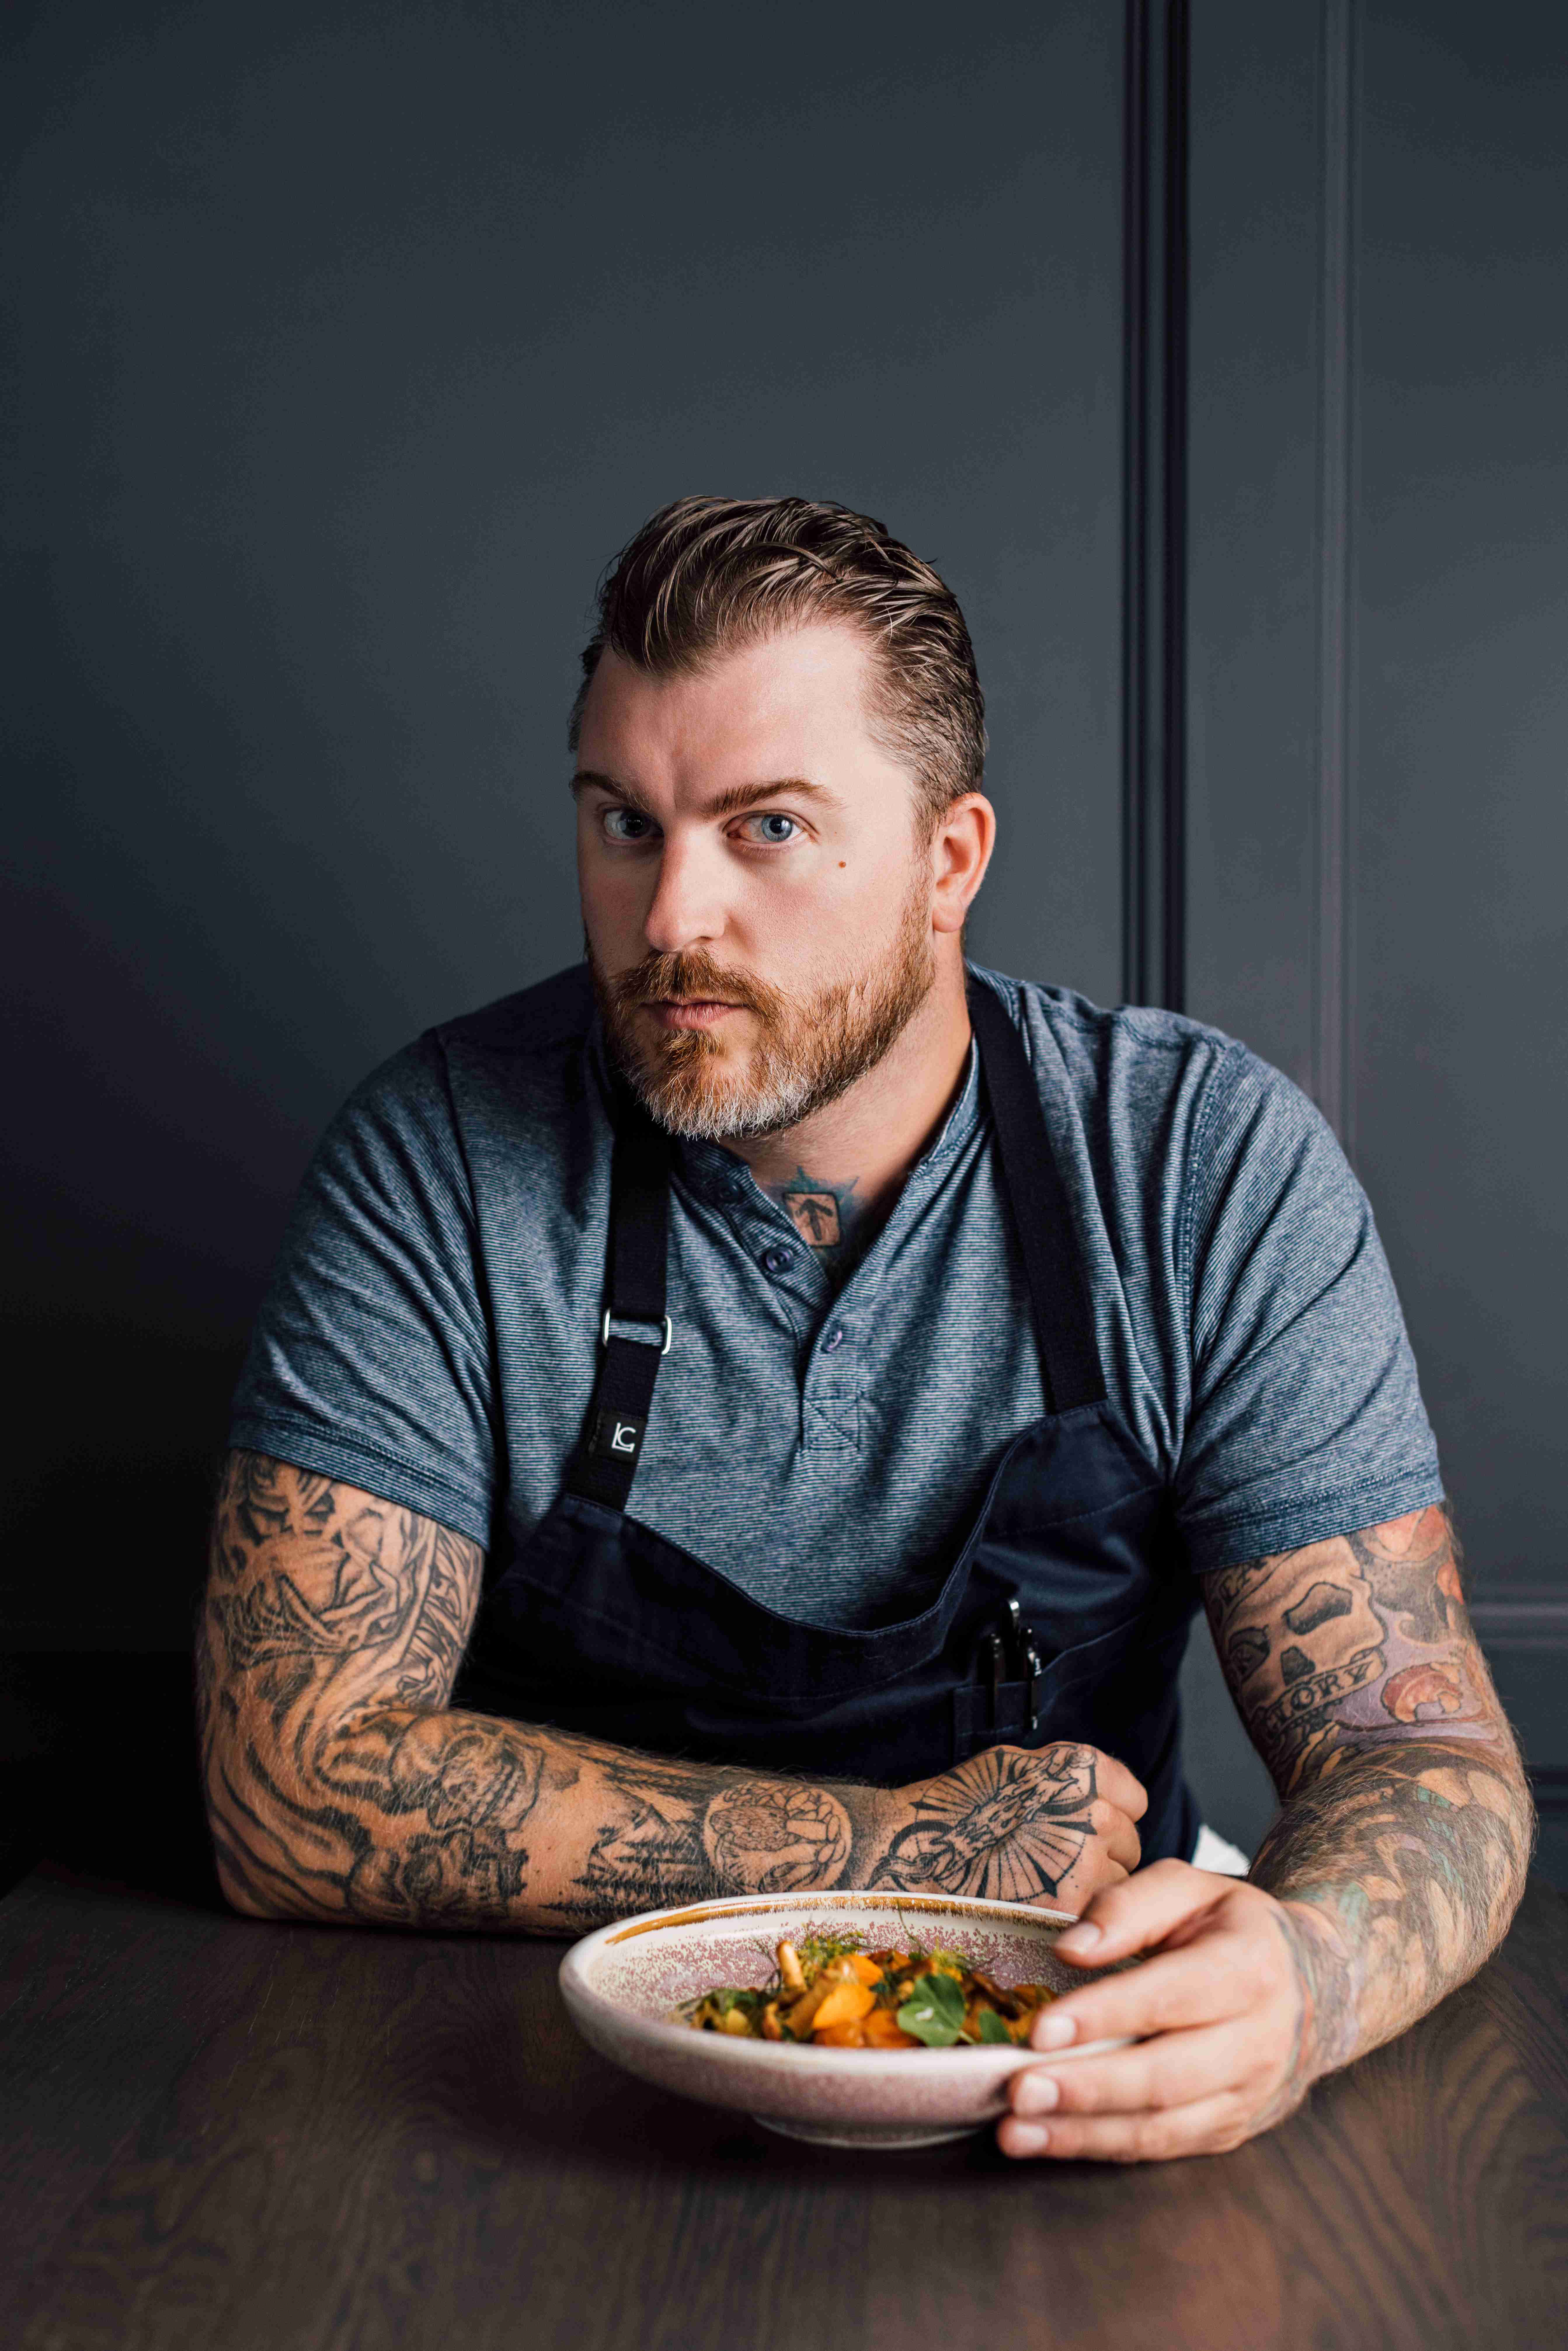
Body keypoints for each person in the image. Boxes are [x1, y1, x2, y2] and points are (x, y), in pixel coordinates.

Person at [198, 495, 1532, 2163]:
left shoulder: (1199, 1167)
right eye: (626, 823)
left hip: (1068, 2077)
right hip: (534, 2100)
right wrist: (894, 1848)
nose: (672, 914)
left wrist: (1311, 1978)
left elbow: (1420, 1754)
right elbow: (286, 1782)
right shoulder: (443, 1161)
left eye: (763, 828)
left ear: (948, 860)